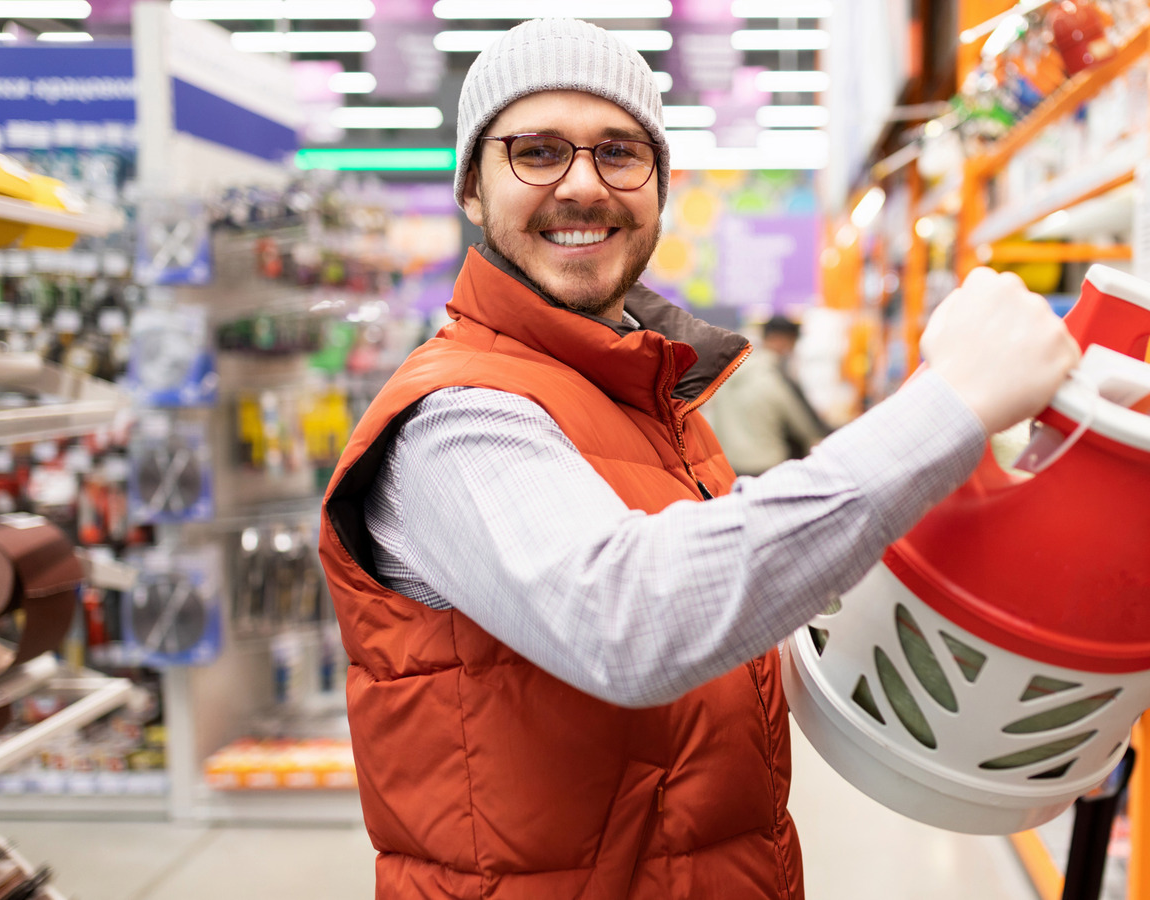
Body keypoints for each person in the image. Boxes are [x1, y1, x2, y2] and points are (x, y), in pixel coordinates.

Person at [317, 18, 1080, 900]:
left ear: (658, 184)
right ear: (473, 192)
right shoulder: (453, 417)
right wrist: (949, 408)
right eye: (535, 152)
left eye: (619, 152)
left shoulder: (647, 399)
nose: (582, 185)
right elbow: (631, 621)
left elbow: (732, 625)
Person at [704, 315, 832, 475]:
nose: (791, 350)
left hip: (729, 465)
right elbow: (804, 425)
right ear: (780, 339)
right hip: (767, 467)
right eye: (791, 343)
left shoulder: (727, 373)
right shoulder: (774, 376)